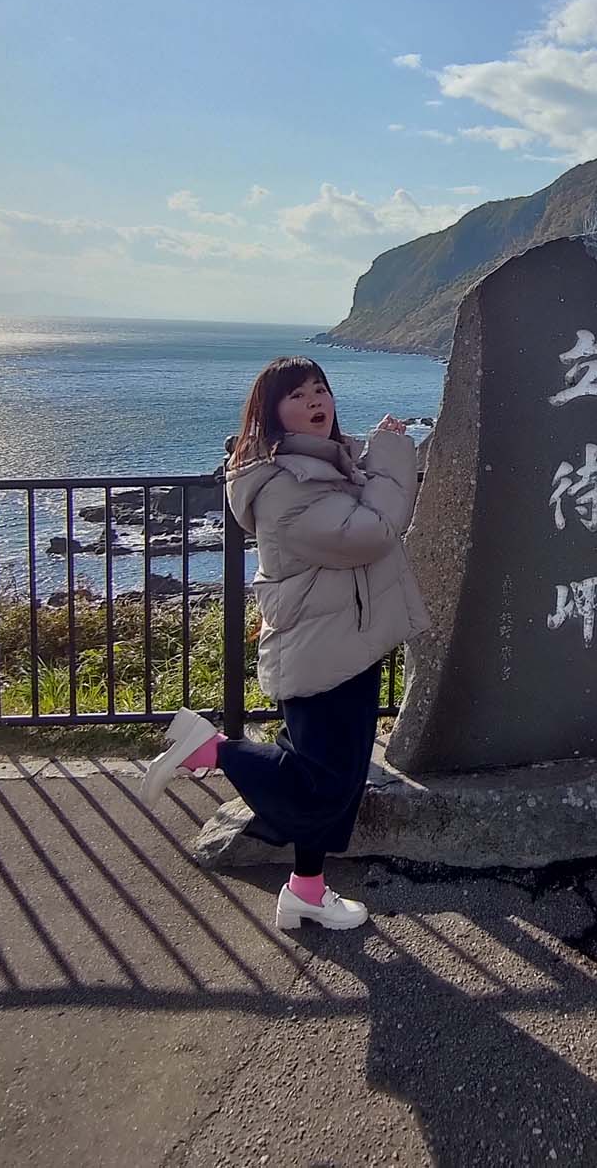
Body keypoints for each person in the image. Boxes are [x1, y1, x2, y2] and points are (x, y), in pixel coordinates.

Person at [141, 356, 428, 931]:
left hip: (348, 639)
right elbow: (369, 533)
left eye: (320, 388)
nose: (315, 400)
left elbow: (359, 507)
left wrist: (369, 458)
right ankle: (211, 750)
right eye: (297, 394)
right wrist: (396, 460)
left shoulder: (323, 465)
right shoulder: (280, 486)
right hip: (320, 649)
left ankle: (306, 891)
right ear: (271, 413)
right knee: (323, 782)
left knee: (338, 781)